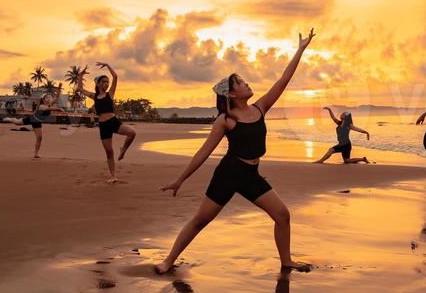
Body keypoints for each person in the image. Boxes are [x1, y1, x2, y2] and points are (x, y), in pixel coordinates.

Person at [156, 29, 316, 275]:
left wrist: (300, 49)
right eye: (240, 82)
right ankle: (168, 260)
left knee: (282, 215)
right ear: (232, 93)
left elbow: (283, 81)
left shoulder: (260, 107)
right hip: (229, 174)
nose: (246, 83)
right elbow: (204, 152)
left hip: (251, 174)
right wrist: (180, 179)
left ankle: (286, 261)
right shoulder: (226, 120)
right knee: (201, 220)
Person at [77, 63, 136, 183]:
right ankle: (113, 176)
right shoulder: (94, 96)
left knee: (132, 133)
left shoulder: (110, 94)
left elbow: (115, 76)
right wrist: (80, 76)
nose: (106, 84)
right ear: (98, 84)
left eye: (107, 82)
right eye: (103, 82)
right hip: (103, 126)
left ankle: (123, 149)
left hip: (113, 122)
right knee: (109, 152)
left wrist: (107, 65)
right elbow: (80, 89)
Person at [6, 83, 62, 158]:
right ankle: (11, 119)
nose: (49, 99)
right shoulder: (42, 106)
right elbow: (47, 109)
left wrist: (59, 88)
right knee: (17, 123)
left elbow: (57, 97)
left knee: (40, 138)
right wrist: (58, 109)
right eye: (47, 98)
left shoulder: (50, 104)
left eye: (50, 97)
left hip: (37, 122)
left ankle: (36, 154)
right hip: (32, 119)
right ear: (43, 99)